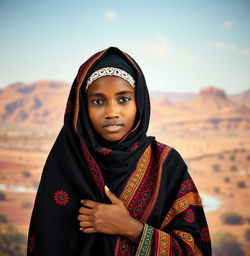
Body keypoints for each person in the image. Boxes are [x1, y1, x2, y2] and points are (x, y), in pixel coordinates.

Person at [27, 46, 212, 255]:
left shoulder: (165, 164)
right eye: (98, 101)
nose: (111, 112)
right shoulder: (64, 164)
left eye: (123, 99)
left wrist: (132, 229)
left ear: (139, 102)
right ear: (83, 107)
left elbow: (196, 250)